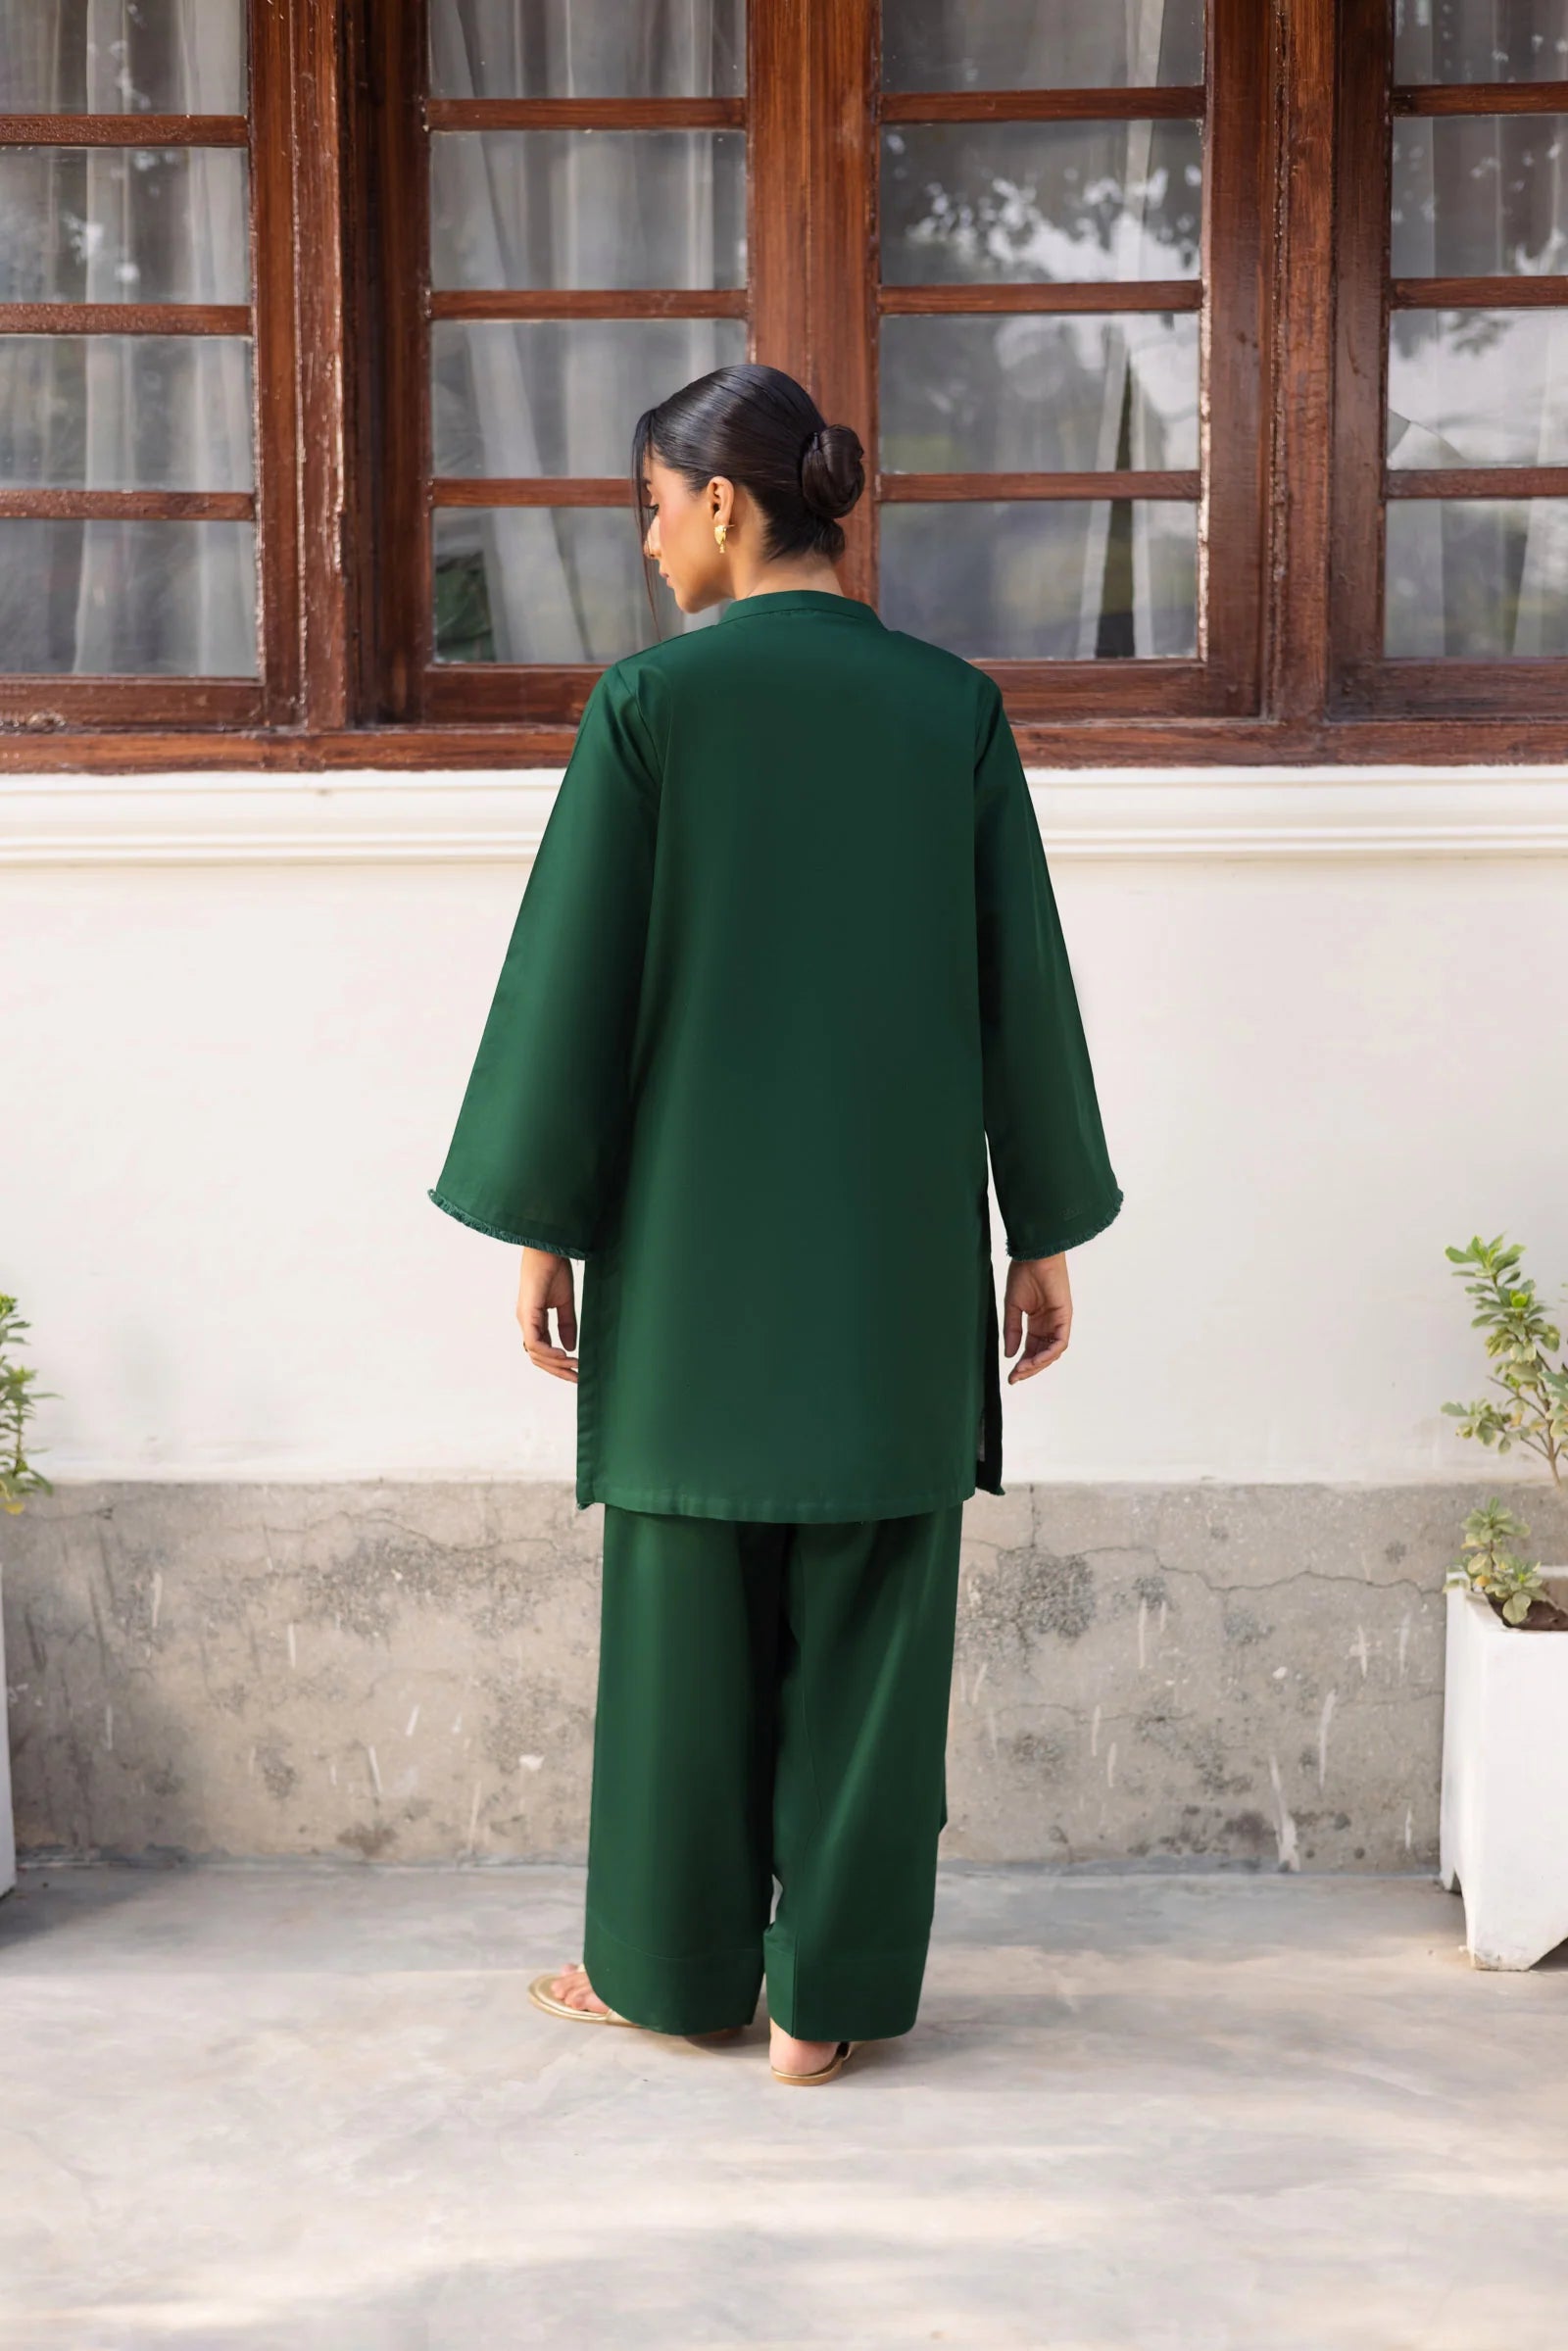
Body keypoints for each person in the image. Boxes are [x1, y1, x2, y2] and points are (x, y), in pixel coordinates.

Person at [427, 363, 1122, 2086]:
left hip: (689, 1260)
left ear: (724, 506)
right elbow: (1019, 983)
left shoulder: (652, 706)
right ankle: (828, 2001)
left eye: (653, 507)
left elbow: (571, 987)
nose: (647, 541)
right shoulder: (950, 709)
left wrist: (542, 1226)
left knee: (685, 1630)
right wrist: (1038, 1224)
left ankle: (673, 1975)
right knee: (880, 1624)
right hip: (893, 1262)